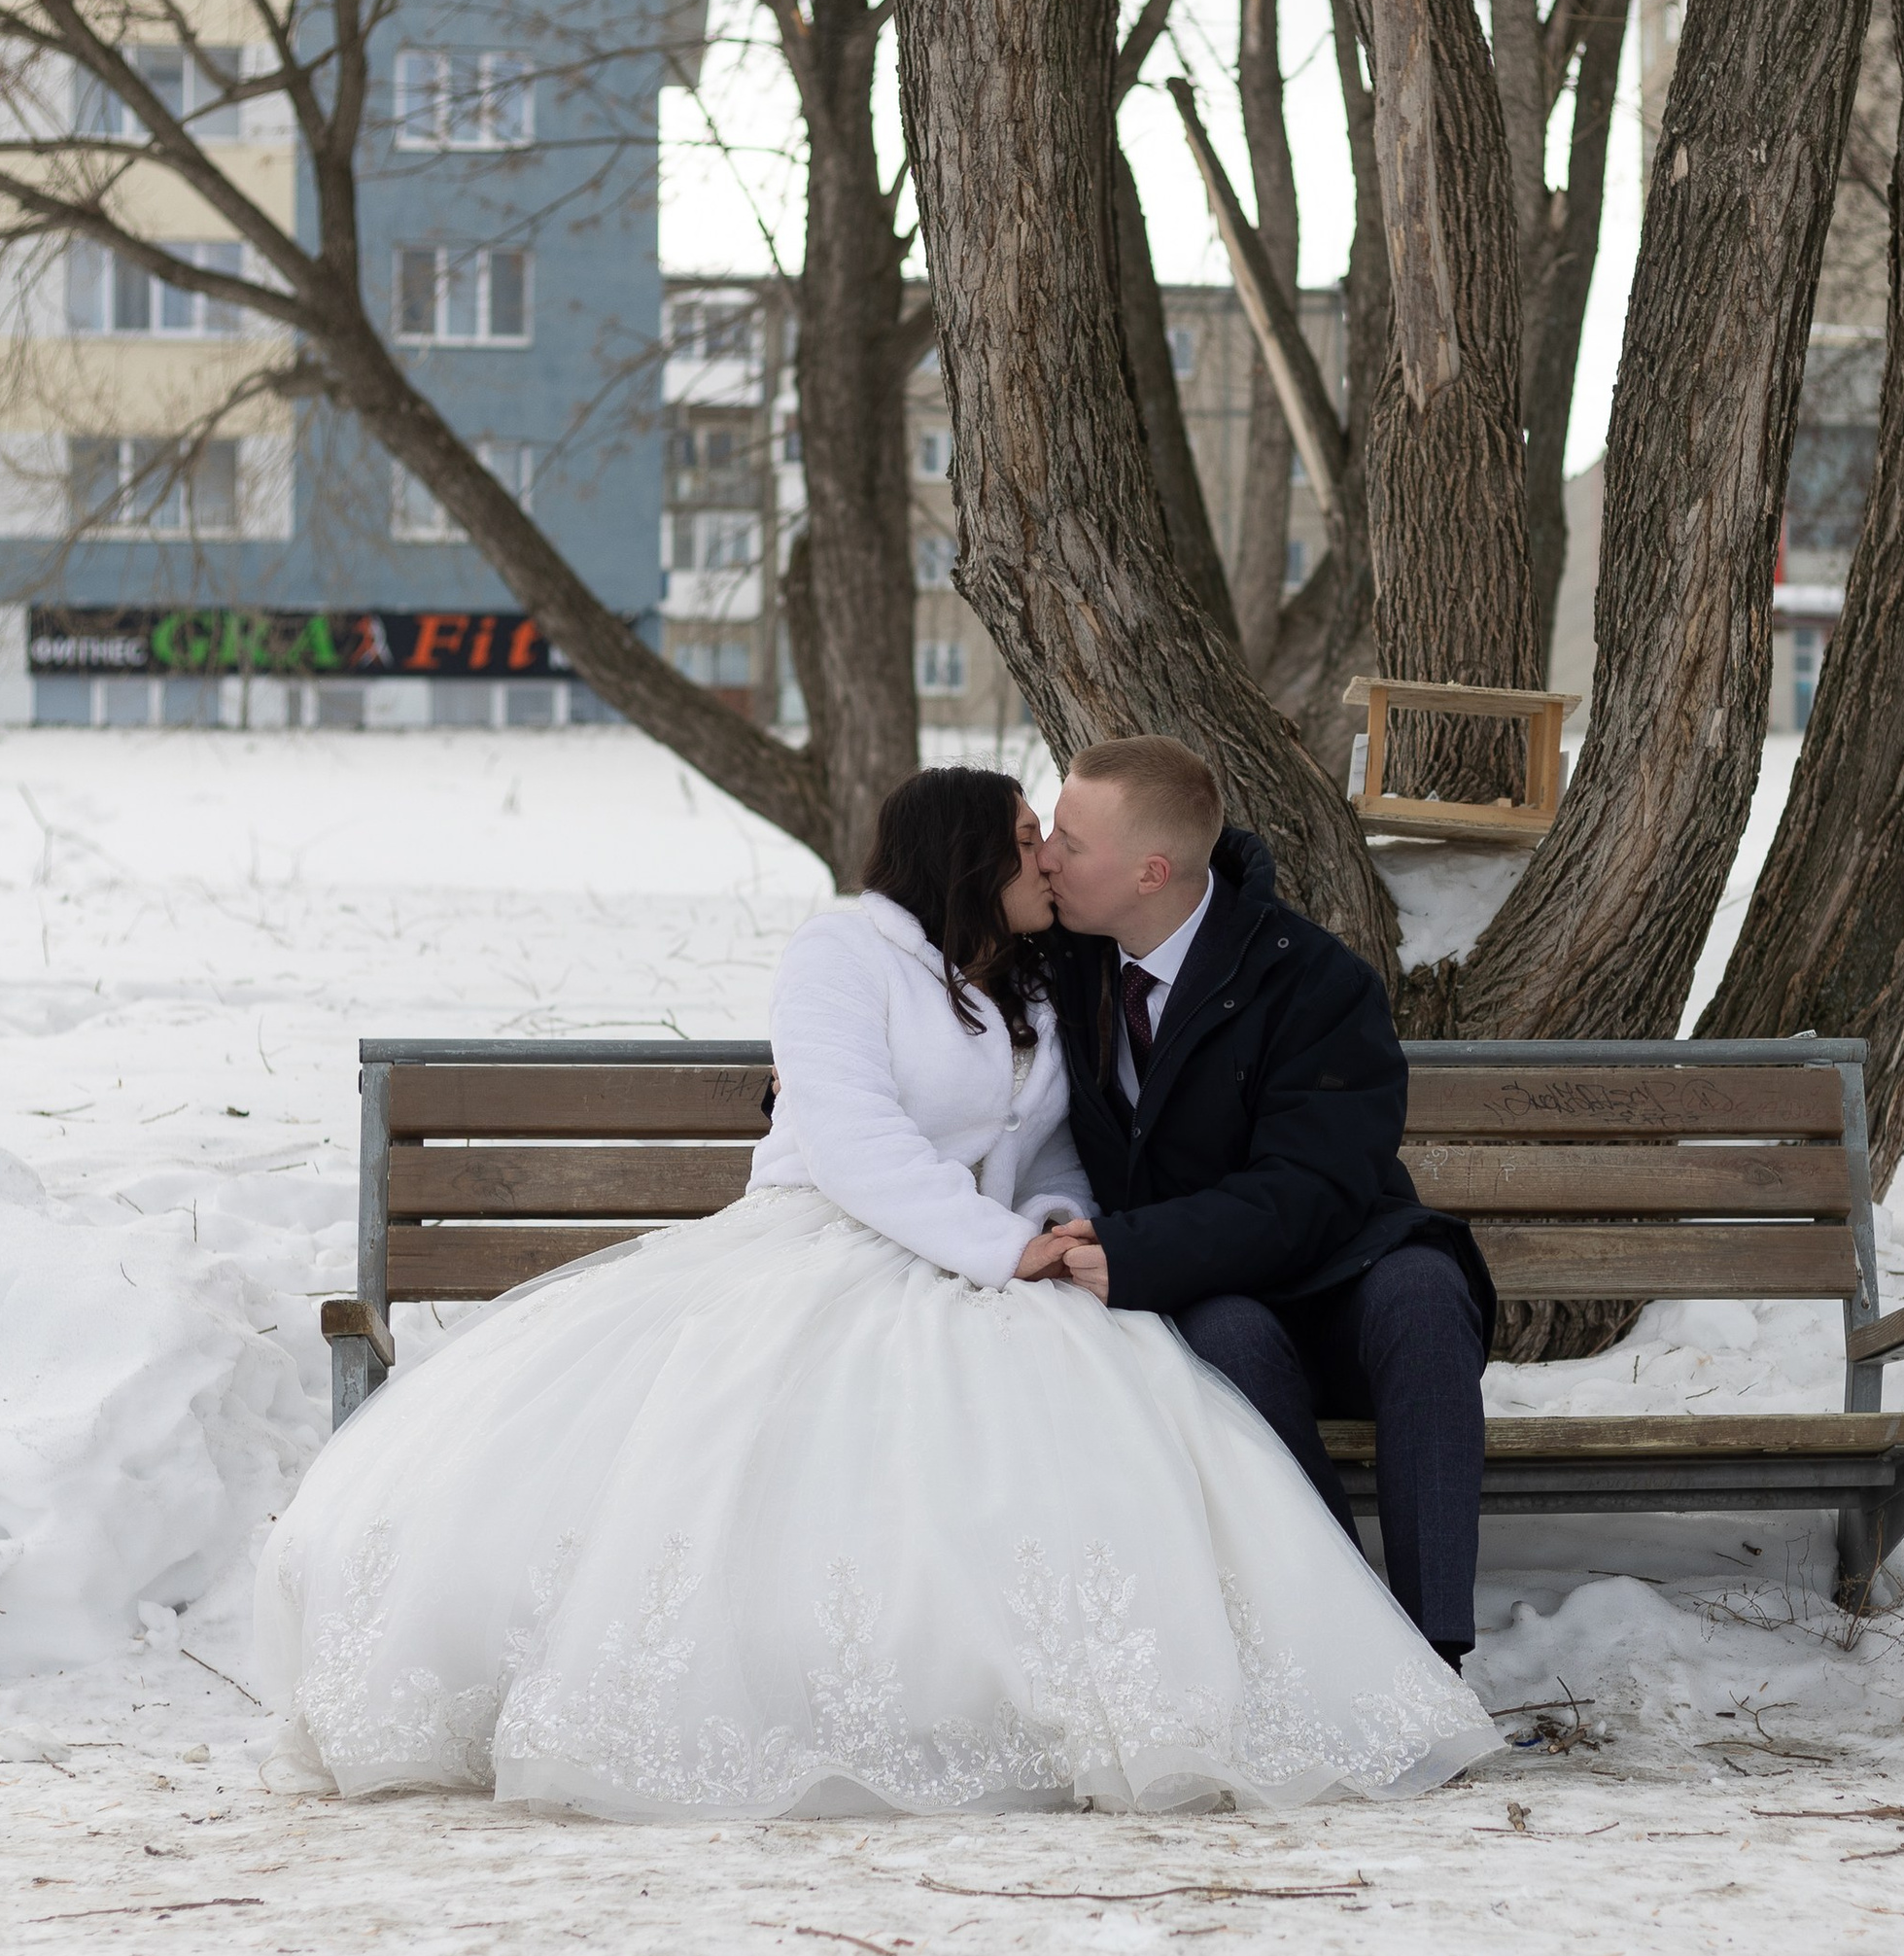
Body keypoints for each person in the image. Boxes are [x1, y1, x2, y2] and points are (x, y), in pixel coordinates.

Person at [255, 766, 1499, 1820]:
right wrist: (1002, 1247)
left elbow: (1059, 1146)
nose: (1049, 858)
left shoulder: (1041, 970)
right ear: (969, 857)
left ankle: (1344, 1651)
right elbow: (852, 1138)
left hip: (1007, 1258)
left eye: (1063, 840)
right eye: (1032, 837)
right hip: (829, 1247)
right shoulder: (846, 953)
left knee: (1159, 1394)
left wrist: (1051, 1226)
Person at [1036, 737, 1492, 1671]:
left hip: (1342, 1269)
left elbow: (1312, 1190)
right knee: (1230, 1335)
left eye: (1070, 842)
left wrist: (1138, 1247)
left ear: (1151, 872)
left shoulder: (1317, 982)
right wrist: (817, 1077)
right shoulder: (1061, 957)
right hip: (1210, 1294)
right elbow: (921, 994)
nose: (1046, 855)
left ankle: (1436, 1652)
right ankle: (1356, 1647)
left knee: (1424, 1292)